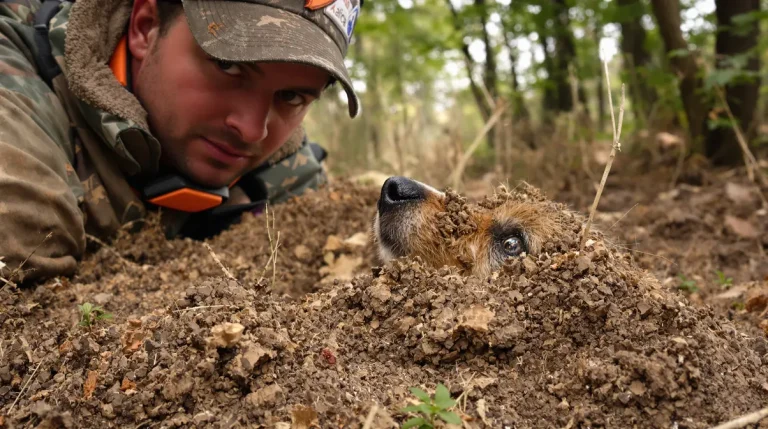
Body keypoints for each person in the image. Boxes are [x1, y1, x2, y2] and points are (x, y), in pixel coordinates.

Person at [0, 0, 362, 283]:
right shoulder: (16, 85)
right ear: (146, 26)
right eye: (228, 66)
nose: (253, 130)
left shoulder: (285, 159)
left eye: (292, 97)